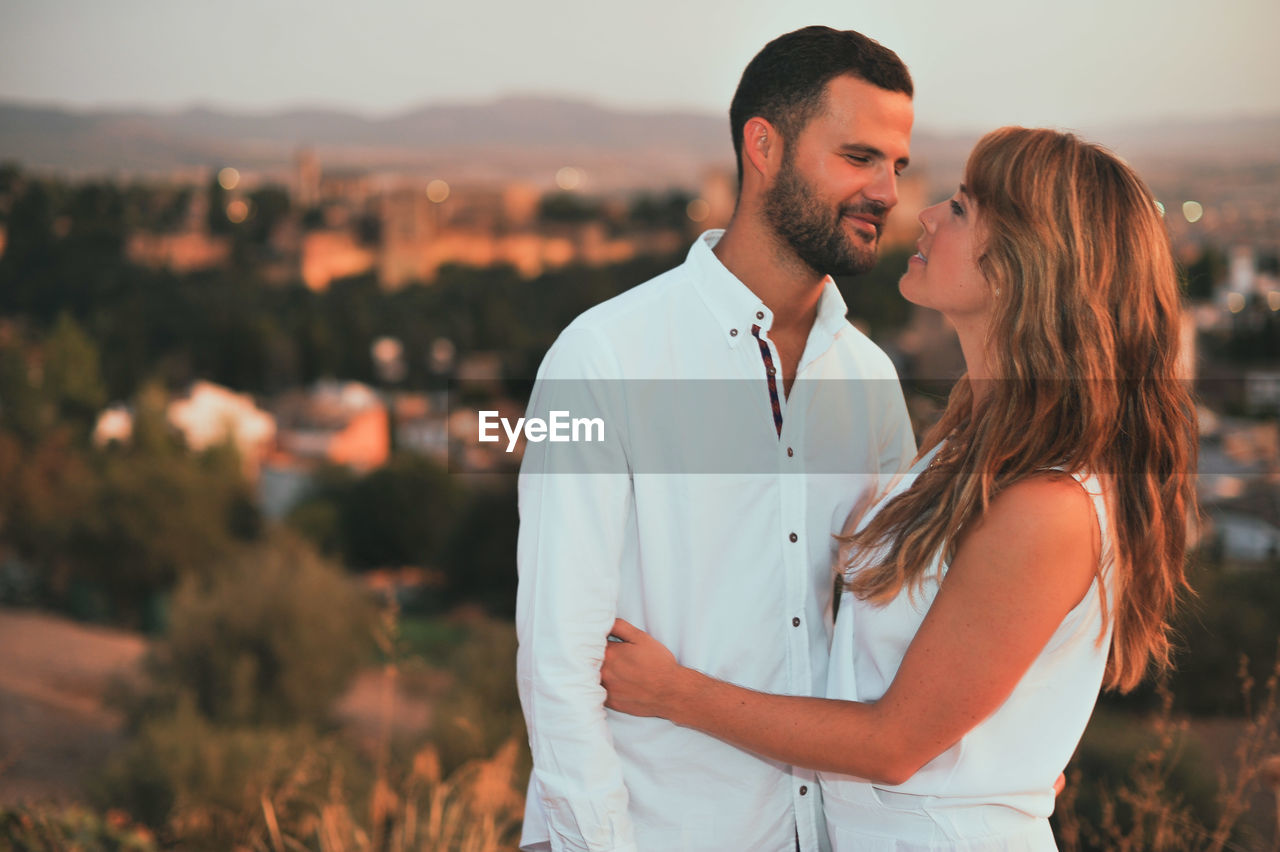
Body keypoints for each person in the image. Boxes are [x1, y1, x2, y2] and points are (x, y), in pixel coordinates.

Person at [601, 126, 1198, 851]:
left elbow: (893, 745)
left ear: (1024, 266)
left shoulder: (1049, 504)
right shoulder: (974, 438)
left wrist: (673, 693)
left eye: (964, 209)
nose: (927, 216)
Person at [516, 26, 918, 852]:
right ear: (762, 146)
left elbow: (901, 624)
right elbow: (558, 661)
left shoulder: (870, 379)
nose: (885, 190)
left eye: (898, 166)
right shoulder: (600, 356)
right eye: (858, 157)